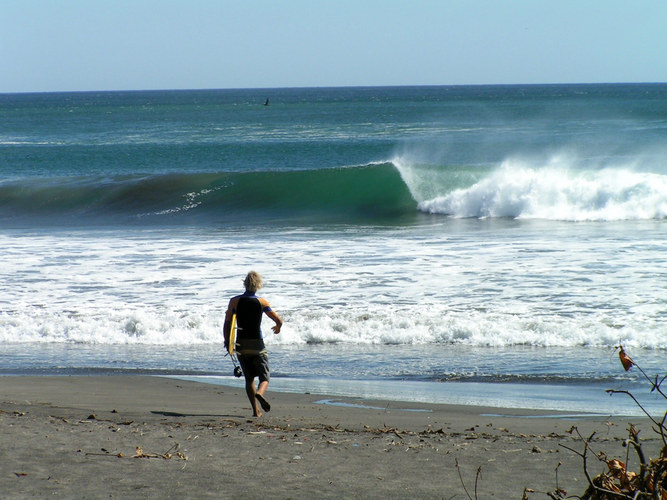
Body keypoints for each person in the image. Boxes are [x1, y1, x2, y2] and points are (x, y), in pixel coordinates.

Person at [224, 271, 283, 417]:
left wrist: (228, 342)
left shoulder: (234, 301)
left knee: (249, 378)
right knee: (264, 378)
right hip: (257, 344)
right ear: (258, 285)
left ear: (244, 283)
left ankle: (255, 411)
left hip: (241, 345)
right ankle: (260, 393)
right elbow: (278, 320)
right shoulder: (262, 302)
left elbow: (228, 323)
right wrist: (278, 327)